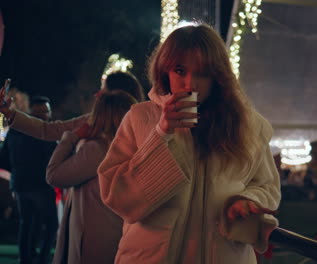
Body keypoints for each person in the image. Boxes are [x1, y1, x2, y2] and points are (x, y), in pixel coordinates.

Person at [98, 23, 281, 263]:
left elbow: (268, 187)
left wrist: (246, 202)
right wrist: (161, 133)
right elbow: (118, 197)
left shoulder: (248, 125)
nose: (190, 83)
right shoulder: (140, 118)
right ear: (165, 71)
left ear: (217, 76)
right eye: (180, 70)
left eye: (202, 73)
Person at [46, 91, 137, 264]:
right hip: (115, 231)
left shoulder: (97, 150)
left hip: (91, 236)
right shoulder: (126, 148)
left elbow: (53, 175)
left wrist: (71, 138)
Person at [0, 70, 144, 142]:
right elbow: (48, 129)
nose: (97, 95)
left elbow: (55, 175)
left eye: (103, 90)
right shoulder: (93, 121)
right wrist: (10, 113)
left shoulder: (93, 124)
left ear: (116, 96)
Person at [0, 96, 58, 264]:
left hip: (20, 183)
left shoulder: (15, 130)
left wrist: (17, 171)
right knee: (51, 224)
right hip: (41, 183)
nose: (45, 115)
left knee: (27, 223)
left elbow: (4, 159)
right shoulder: (45, 132)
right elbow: (55, 158)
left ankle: (26, 257)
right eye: (44, 112)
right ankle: (42, 258)